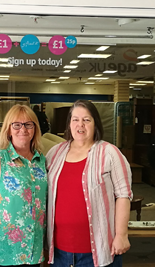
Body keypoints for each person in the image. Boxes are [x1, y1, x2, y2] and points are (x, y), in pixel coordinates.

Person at [46, 100, 132, 267]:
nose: (80, 125)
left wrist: (121, 235)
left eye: (87, 120)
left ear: (95, 124)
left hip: (98, 252)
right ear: (69, 124)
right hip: (59, 252)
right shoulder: (54, 153)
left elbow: (123, 195)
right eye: (75, 119)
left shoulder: (110, 153)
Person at [0, 104, 47, 267]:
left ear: (35, 129)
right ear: (8, 129)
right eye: (16, 124)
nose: (23, 129)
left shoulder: (41, 161)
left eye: (28, 124)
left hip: (31, 248)